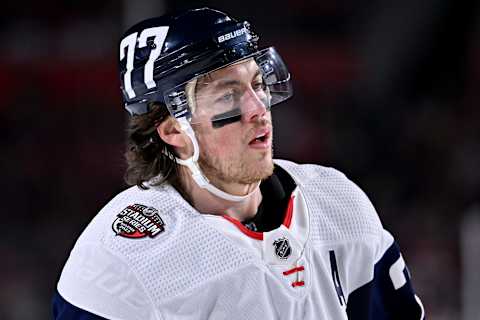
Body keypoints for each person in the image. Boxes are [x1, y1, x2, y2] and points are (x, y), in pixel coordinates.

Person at [53, 7, 425, 320]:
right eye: (229, 96)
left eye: (258, 84)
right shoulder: (121, 258)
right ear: (173, 131)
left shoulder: (338, 202)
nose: (258, 109)